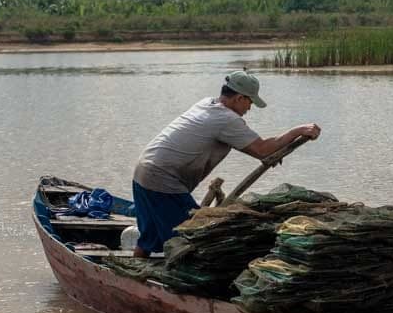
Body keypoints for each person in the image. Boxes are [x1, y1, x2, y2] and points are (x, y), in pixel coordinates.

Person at [131, 70, 321, 257]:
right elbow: (262, 149)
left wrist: (269, 152)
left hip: (143, 171)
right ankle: (177, 284)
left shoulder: (206, 104)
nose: (249, 108)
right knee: (191, 240)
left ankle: (134, 275)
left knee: (149, 236)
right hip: (163, 180)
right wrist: (297, 130)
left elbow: (257, 150)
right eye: (250, 101)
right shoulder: (226, 119)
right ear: (239, 98)